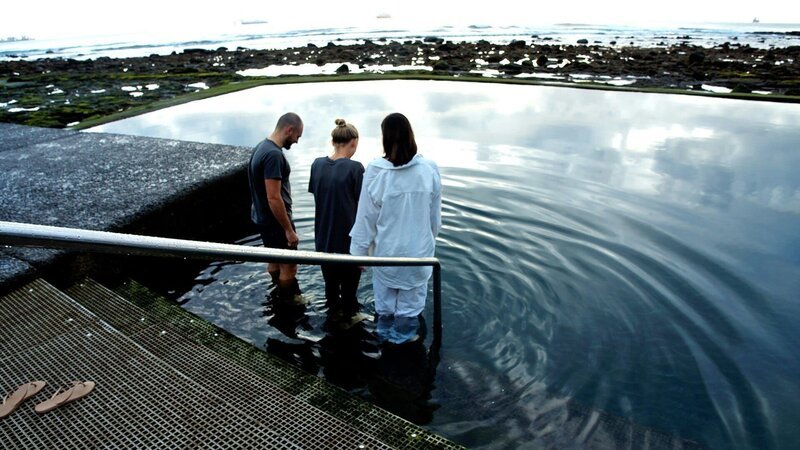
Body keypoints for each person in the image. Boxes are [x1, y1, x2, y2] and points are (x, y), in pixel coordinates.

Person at [349, 112, 442, 344]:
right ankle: (405, 353)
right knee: (409, 313)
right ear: (411, 135)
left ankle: (384, 351)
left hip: (386, 256)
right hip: (418, 256)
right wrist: (428, 243)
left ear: (385, 138)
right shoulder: (429, 169)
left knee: (385, 311)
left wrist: (358, 255)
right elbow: (435, 220)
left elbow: (365, 219)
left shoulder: (376, 171)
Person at [308, 118, 365, 316]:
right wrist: (364, 250)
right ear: (354, 142)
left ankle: (331, 327)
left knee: (331, 291)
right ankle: (349, 331)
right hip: (348, 245)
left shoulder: (316, 165)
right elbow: (362, 210)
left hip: (323, 242)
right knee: (349, 294)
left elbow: (320, 199)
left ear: (333, 141)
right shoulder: (356, 169)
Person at [248, 112, 304, 304]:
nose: (296, 141)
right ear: (289, 129)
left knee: (273, 260)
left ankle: (274, 294)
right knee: (289, 267)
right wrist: (288, 230)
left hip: (262, 218)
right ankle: (289, 302)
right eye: (297, 135)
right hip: (276, 222)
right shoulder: (273, 155)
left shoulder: (260, 147)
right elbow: (274, 197)